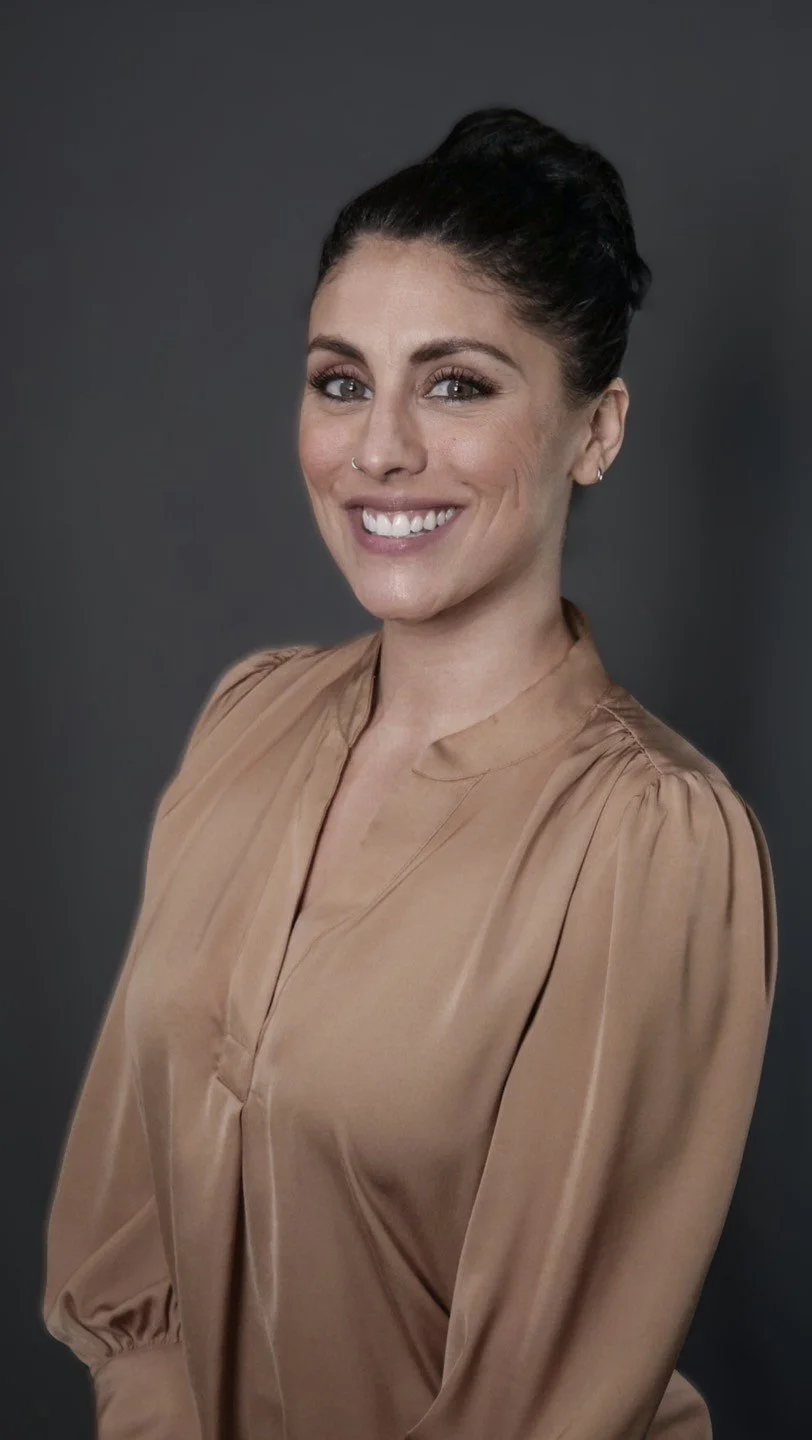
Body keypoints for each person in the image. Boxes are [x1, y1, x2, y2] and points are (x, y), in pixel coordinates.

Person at [42, 106, 778, 1440]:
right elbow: (128, 1244)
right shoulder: (249, 715)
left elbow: (539, 1404)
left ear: (596, 430)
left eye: (456, 384)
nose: (378, 449)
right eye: (340, 380)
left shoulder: (651, 839)